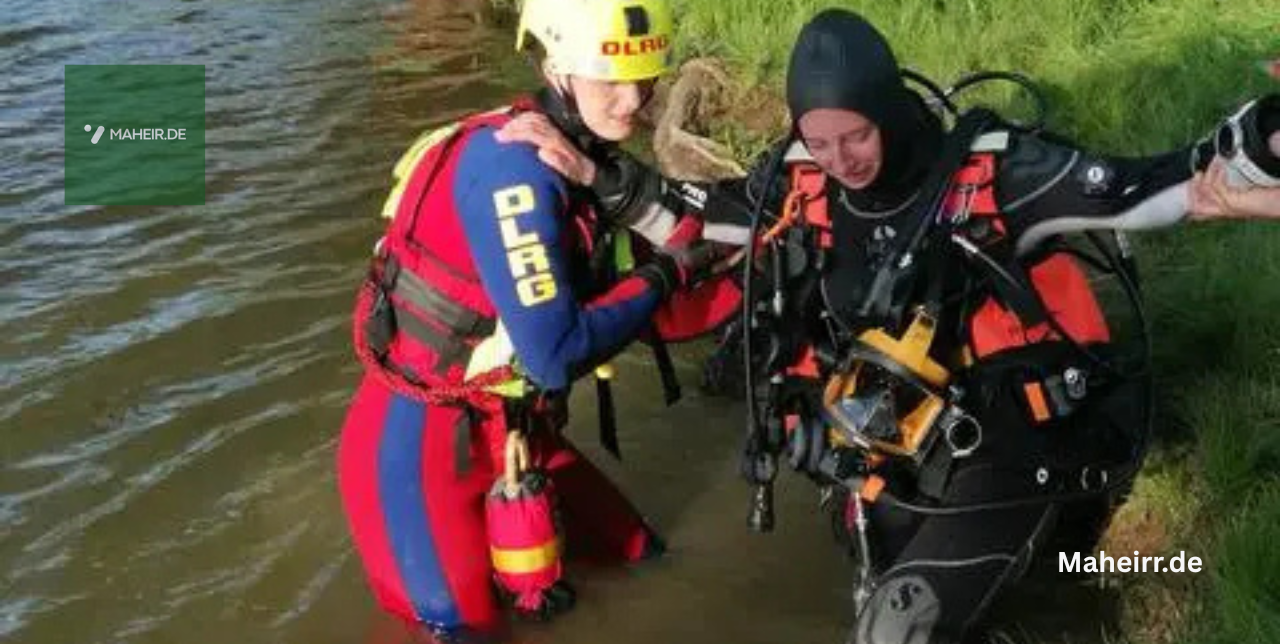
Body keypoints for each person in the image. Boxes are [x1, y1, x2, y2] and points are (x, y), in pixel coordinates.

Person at [500, 8, 1280, 643]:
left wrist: (1257, 145)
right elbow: (688, 211)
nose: (842, 159)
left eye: (858, 136)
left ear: (887, 111)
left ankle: (1108, 576)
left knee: (898, 628)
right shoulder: (803, 179)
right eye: (821, 139)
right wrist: (590, 171)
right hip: (906, 454)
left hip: (1022, 447)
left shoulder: (996, 174)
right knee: (898, 589)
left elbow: (1159, 183)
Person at [335, 0, 744, 636]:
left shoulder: (576, 154)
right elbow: (555, 356)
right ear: (556, 67)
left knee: (644, 560)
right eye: (609, 79)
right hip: (420, 455)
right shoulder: (514, 171)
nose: (633, 100)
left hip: (514, 434)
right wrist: (667, 275)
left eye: (645, 78)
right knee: (461, 632)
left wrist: (607, 184)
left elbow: (718, 226)